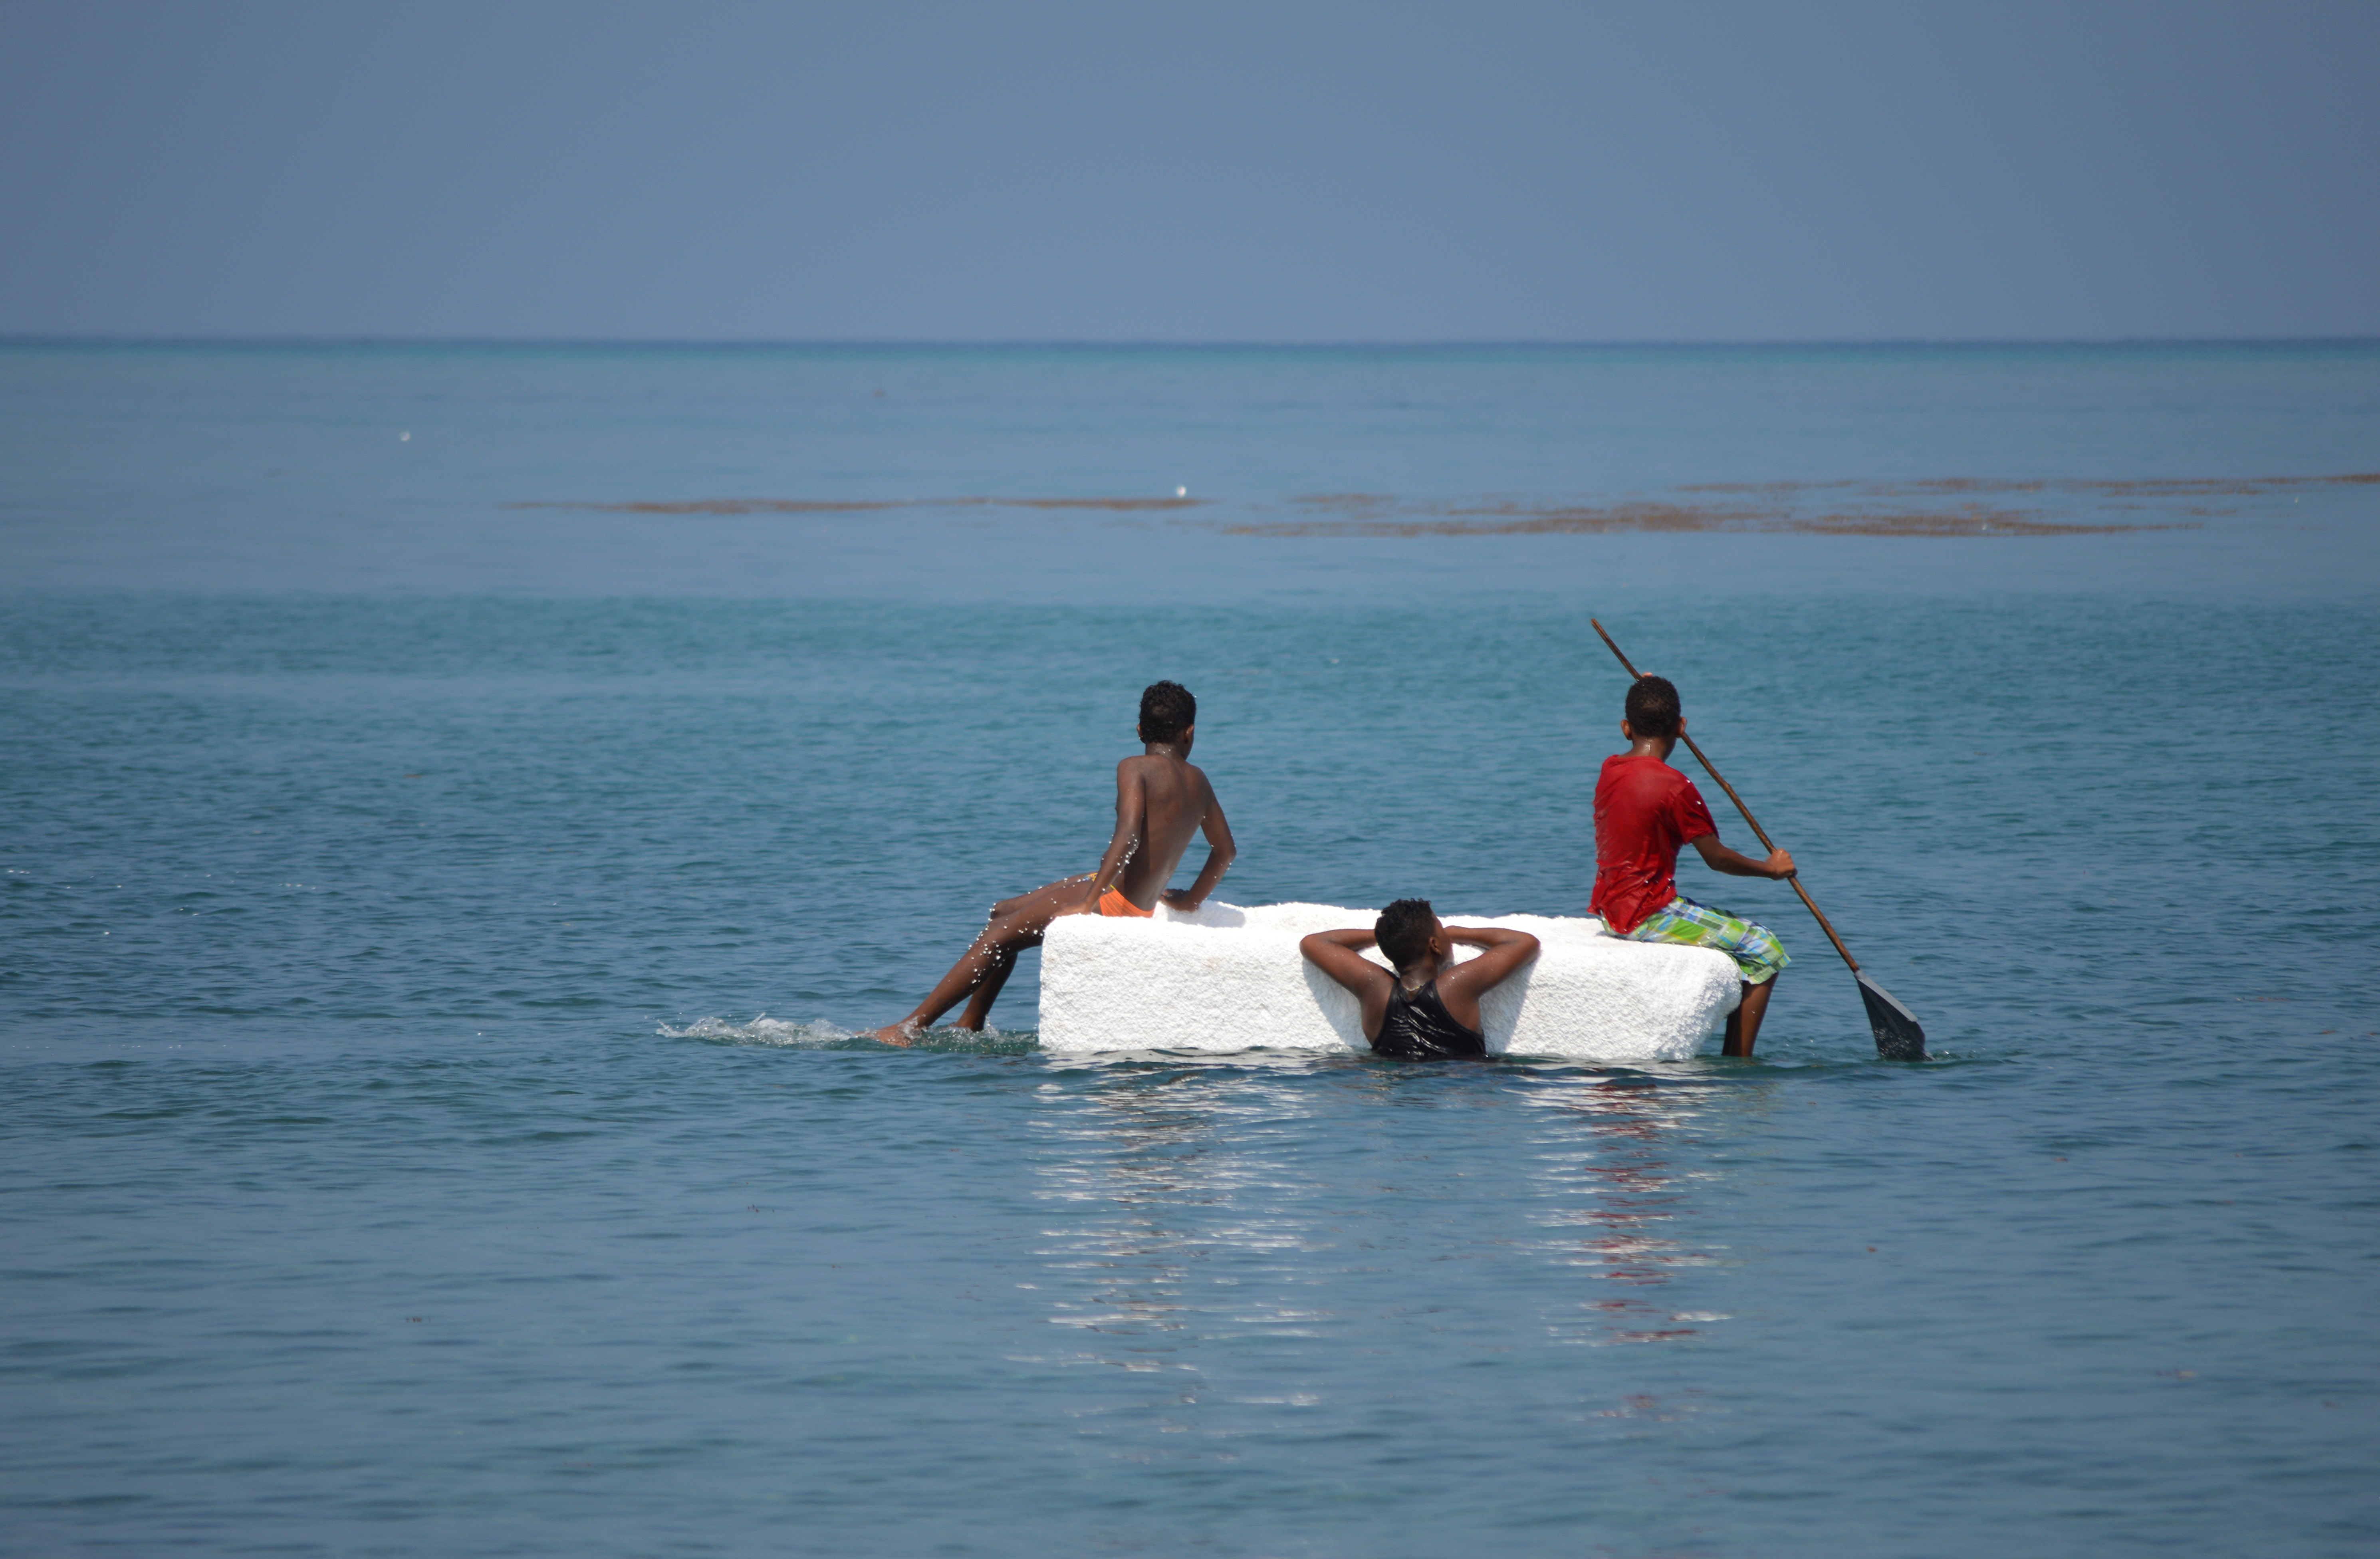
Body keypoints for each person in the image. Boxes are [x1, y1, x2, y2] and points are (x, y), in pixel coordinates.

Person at [871, 680, 1236, 1042]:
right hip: (1124, 892)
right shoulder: (1198, 781)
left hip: (1113, 900)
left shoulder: (1134, 768)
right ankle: (972, 1020)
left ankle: (909, 1028)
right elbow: (1225, 852)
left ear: (1140, 730)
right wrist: (1191, 902)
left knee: (997, 937)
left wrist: (1088, 902)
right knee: (1002, 912)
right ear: (1189, 733)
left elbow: (1129, 836)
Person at [1593, 673, 1794, 1057]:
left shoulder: (1610, 769)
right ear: (1681, 728)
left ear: (1625, 729)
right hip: (1646, 914)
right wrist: (1771, 869)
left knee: (1737, 934)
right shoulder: (1677, 788)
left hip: (1610, 907)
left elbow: (1643, 734)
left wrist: (1648, 691)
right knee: (1766, 949)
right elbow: (1717, 860)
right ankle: (1739, 1063)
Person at [1299, 900, 1540, 1059]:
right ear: (1435, 945)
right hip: (1461, 1092)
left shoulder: (1374, 989)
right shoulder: (1457, 987)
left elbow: (1314, 943)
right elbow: (1524, 943)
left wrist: (1391, 936)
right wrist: (1458, 931)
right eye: (1442, 930)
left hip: (1392, 1095)